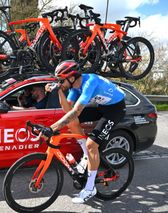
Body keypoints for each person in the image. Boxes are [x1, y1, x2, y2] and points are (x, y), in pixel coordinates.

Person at [44, 60, 126, 204]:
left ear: (71, 77)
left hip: (115, 109)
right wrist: (59, 91)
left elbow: (76, 111)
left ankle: (90, 188)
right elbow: (67, 109)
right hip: (102, 106)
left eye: (61, 80)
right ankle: (86, 156)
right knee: (70, 120)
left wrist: (52, 128)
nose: (60, 82)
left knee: (91, 145)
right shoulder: (75, 87)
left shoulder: (89, 83)